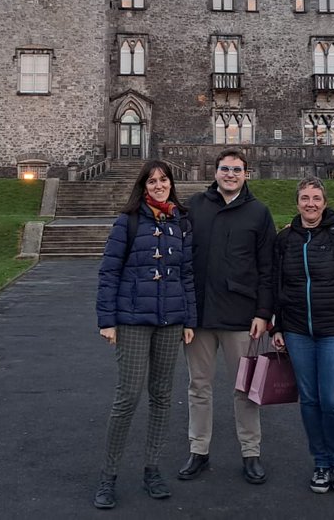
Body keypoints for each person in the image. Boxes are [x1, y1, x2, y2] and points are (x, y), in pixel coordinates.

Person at [94, 159, 197, 510]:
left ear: (171, 183)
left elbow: (187, 275)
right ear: (143, 185)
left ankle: (152, 468)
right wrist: (107, 320)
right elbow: (109, 272)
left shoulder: (180, 221)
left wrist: (189, 320)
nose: (158, 185)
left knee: (162, 397)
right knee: (127, 399)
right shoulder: (129, 220)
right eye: (152, 181)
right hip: (133, 321)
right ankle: (108, 476)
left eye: (164, 180)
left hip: (170, 322)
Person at [179, 147, 277, 485]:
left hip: (241, 316)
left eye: (237, 169)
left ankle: (251, 453)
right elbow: (180, 259)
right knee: (198, 387)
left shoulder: (259, 213)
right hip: (200, 316)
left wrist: (264, 312)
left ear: (246, 173)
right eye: (225, 168)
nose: (230, 174)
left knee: (246, 389)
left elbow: (268, 269)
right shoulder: (194, 207)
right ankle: (199, 451)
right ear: (215, 171)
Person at [272, 178, 334, 496]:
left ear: (324, 202)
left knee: (332, 401)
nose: (310, 203)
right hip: (298, 331)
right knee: (310, 401)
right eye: (304, 198)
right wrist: (278, 328)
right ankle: (321, 463)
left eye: (316, 198)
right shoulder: (285, 239)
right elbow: (277, 286)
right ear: (297, 202)